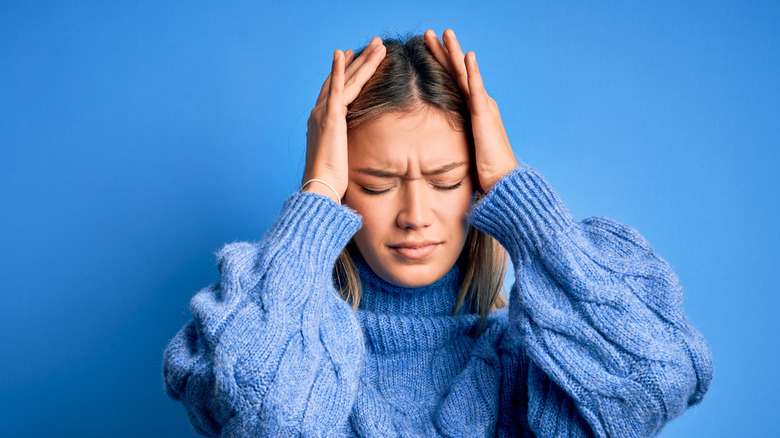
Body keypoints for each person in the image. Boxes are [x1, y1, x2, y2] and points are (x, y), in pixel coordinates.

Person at [162, 29, 713, 437]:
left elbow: (658, 378)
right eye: (377, 185)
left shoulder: (527, 363)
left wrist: (521, 201)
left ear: (476, 189)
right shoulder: (272, 343)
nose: (415, 215)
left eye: (446, 181)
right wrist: (317, 192)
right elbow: (268, 418)